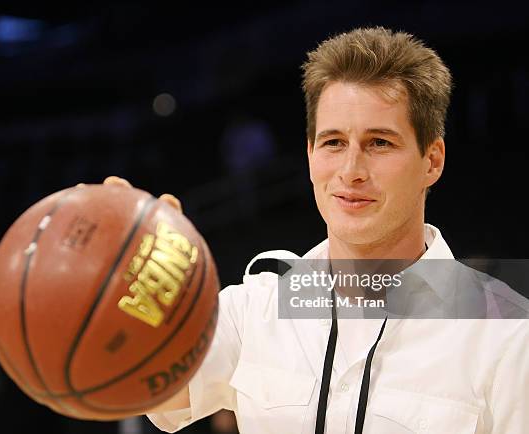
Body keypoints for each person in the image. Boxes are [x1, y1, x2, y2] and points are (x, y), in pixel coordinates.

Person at [106, 27, 529, 433]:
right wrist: (118, 284)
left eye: (379, 142)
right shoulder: (254, 309)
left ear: (432, 160)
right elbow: (141, 386)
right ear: (310, 155)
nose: (351, 171)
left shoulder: (507, 333)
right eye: (333, 143)